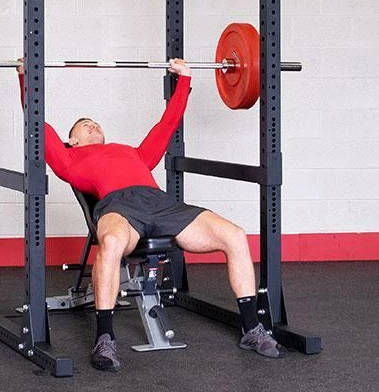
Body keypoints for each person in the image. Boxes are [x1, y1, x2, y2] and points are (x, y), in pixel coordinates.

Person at [17, 58, 285, 371]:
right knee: (111, 244)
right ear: (72, 140)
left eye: (96, 123)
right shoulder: (68, 159)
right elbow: (38, 125)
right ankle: (105, 338)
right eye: (85, 125)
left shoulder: (134, 153)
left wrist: (184, 80)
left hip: (160, 203)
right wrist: (26, 79)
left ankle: (251, 328)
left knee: (234, 235)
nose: (93, 125)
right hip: (118, 207)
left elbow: (166, 125)